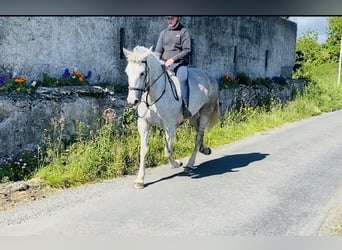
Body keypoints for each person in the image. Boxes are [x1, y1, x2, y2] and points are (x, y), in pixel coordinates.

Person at [154, 16, 192, 119]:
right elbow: (158, 52)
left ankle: (185, 107)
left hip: (179, 64)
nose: (170, 21)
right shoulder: (163, 33)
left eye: (172, 18)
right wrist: (155, 61)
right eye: (168, 18)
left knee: (183, 79)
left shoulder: (183, 31)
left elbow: (187, 50)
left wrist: (173, 59)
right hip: (165, 64)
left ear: (178, 18)